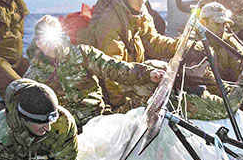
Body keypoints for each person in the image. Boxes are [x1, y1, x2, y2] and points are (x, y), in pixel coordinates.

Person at [77, 0, 199, 112]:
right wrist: (121, 105)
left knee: (161, 69)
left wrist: (180, 47)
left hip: (129, 73)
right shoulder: (109, 20)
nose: (142, 1)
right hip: (111, 83)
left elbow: (153, 42)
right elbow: (111, 69)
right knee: (148, 85)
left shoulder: (140, 13)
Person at [25, 16, 164, 130]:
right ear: (37, 42)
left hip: (98, 120)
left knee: (148, 83)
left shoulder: (82, 53)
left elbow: (113, 68)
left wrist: (146, 73)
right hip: (66, 133)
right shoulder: (32, 76)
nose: (53, 44)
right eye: (45, 38)